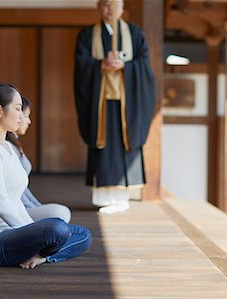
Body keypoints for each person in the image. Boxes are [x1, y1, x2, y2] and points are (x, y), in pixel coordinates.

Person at [0, 82, 91, 269]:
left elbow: (16, 200)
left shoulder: (8, 147)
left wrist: (38, 238)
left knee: (84, 235)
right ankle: (43, 250)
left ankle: (41, 257)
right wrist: (35, 232)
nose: (22, 115)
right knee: (57, 229)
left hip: (12, 234)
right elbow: (1, 205)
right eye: (17, 109)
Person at [74, 0, 156, 213]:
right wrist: (100, 64)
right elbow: (81, 65)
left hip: (126, 103)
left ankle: (122, 199)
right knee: (103, 148)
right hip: (99, 101)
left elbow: (144, 64)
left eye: (113, 5)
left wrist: (125, 66)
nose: (109, 9)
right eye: (105, 4)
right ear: (98, 7)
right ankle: (104, 198)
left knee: (123, 146)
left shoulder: (135, 34)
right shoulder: (87, 35)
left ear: (122, 8)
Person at [6, 96, 72, 223]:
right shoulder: (6, 147)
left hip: (22, 207)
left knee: (62, 215)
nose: (28, 121)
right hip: (15, 211)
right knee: (61, 213)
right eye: (25, 115)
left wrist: (37, 206)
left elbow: (23, 189)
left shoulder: (14, 144)